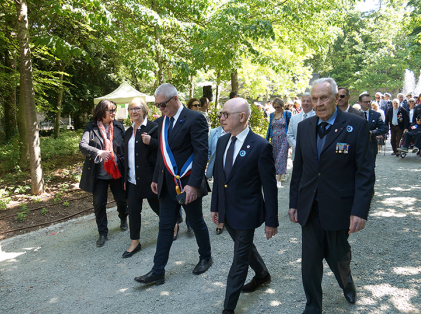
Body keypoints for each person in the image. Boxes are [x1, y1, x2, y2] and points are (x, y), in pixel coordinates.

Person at [289, 77, 375, 314]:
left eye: (323, 98)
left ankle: (347, 283)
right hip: (310, 207)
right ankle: (313, 306)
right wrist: (294, 202)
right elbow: (300, 169)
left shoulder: (356, 126)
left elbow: (365, 173)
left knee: (338, 257)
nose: (318, 103)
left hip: (339, 207)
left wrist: (359, 211)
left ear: (337, 98)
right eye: (314, 99)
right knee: (310, 262)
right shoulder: (304, 127)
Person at [135, 83, 212, 285]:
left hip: (188, 184)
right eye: (157, 105)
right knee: (165, 226)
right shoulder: (162, 122)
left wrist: (194, 184)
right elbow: (162, 152)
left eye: (163, 104)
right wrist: (155, 178)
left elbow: (201, 153)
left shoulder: (196, 119)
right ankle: (157, 271)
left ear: (175, 99)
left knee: (196, 221)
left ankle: (206, 257)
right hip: (167, 184)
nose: (160, 109)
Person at [210, 97, 278, 314]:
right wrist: (216, 207)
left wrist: (272, 220)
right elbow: (220, 179)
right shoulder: (222, 141)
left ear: (241, 117)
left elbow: (270, 187)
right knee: (244, 247)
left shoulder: (260, 146)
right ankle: (262, 274)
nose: (221, 118)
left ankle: (228, 308)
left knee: (239, 259)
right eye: (220, 114)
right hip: (227, 211)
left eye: (225, 114)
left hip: (248, 212)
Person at [79, 99, 128, 247]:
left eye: (114, 110)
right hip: (98, 175)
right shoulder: (90, 127)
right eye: (110, 110)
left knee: (122, 200)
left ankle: (123, 218)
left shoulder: (119, 127)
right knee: (99, 204)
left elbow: (126, 148)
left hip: (116, 173)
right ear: (101, 112)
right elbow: (83, 145)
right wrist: (98, 152)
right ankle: (102, 232)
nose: (113, 113)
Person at [122, 98, 159, 258]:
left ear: (144, 110)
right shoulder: (128, 131)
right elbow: (126, 156)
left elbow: (163, 150)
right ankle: (135, 242)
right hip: (131, 180)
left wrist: (151, 142)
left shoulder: (154, 127)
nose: (133, 111)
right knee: (133, 210)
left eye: (137, 108)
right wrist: (124, 179)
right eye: (130, 109)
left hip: (149, 178)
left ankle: (173, 225)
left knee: (157, 207)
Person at [206, 112, 227, 235]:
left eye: (225, 117)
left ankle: (229, 217)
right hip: (217, 167)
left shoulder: (234, 131)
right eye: (220, 117)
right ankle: (220, 221)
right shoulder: (214, 132)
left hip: (231, 168)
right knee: (218, 193)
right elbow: (208, 150)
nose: (222, 120)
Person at [266, 98, 291, 186]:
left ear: (282, 106)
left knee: (281, 157)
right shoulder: (272, 115)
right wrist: (267, 139)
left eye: (278, 107)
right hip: (274, 139)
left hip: (284, 138)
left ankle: (278, 180)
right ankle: (281, 173)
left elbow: (290, 126)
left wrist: (291, 139)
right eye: (275, 107)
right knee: (275, 158)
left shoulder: (287, 114)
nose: (276, 109)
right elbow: (270, 127)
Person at [358, 92, 387, 165]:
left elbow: (384, 128)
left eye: (369, 102)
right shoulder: (354, 114)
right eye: (365, 102)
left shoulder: (376, 115)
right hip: (358, 145)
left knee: (371, 167)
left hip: (371, 145)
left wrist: (373, 132)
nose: (368, 104)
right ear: (360, 103)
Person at [287, 92, 316, 161]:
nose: (305, 103)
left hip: (313, 156)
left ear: (312, 103)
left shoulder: (317, 117)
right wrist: (297, 146)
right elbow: (289, 135)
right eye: (304, 101)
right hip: (297, 155)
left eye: (308, 101)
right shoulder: (294, 118)